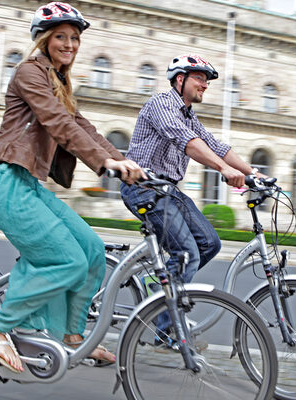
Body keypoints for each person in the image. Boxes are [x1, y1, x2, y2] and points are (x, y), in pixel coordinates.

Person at [0, 2, 145, 373]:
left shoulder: (60, 82)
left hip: (27, 185)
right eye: (61, 37)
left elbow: (84, 128)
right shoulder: (29, 74)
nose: (69, 44)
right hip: (5, 183)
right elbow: (58, 123)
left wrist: (123, 160)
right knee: (65, 260)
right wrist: (104, 163)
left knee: (92, 251)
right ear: (45, 40)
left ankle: (72, 337)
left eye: (75, 38)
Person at [120, 54, 265, 349]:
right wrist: (224, 170)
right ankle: (166, 330)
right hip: (144, 188)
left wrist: (253, 173)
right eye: (199, 78)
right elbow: (186, 141)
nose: (205, 85)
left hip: (168, 190)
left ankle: (160, 285)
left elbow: (214, 145)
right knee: (187, 253)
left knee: (209, 244)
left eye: (207, 80)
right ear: (180, 79)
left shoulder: (189, 115)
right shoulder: (161, 104)